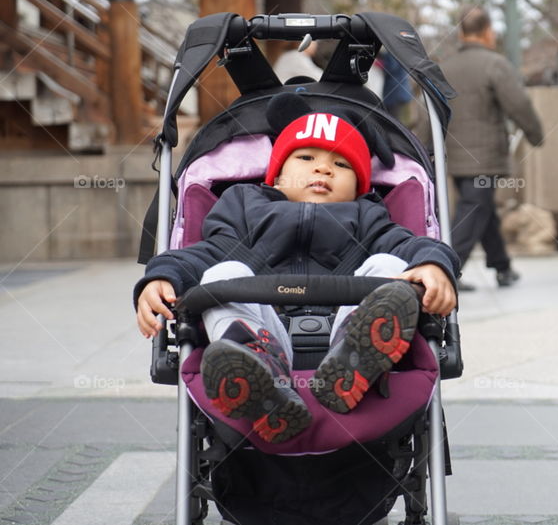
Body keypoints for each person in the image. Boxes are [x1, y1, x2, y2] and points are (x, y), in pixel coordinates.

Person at [134, 96, 460, 443]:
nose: (323, 169)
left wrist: (433, 265)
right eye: (306, 158)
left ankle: (356, 353)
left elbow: (408, 244)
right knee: (219, 274)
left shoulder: (368, 216)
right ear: (275, 176)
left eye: (342, 164)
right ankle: (254, 368)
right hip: (265, 327)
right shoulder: (244, 207)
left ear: (360, 187)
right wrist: (160, 277)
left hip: (343, 328)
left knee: (391, 266)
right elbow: (204, 254)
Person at [442, 6, 544, 290]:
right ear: (488, 32)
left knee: (481, 208)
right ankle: (446, 271)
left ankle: (502, 266)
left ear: (461, 33)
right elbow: (518, 104)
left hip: (454, 155)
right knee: (474, 208)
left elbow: (426, 113)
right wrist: (535, 134)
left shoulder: (443, 68)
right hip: (484, 158)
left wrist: (424, 148)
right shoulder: (494, 64)